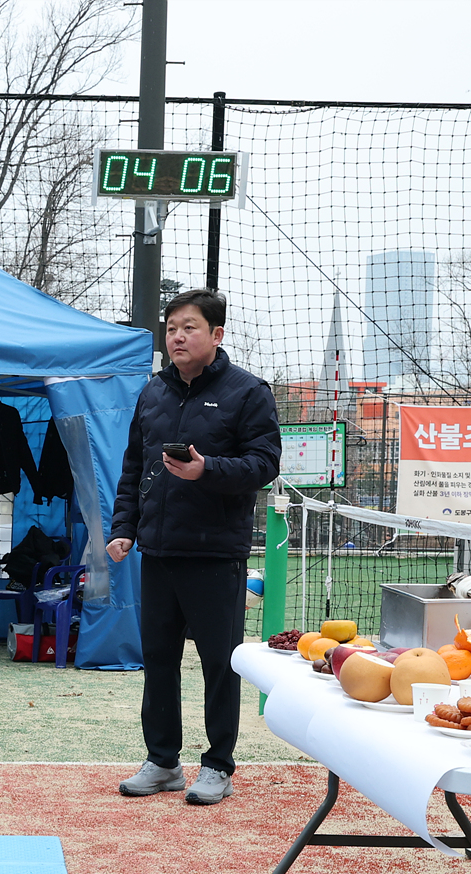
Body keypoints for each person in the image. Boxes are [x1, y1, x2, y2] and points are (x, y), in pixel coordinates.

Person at [107, 289, 282, 807]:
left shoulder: (248, 392)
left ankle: (218, 765)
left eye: (189, 328)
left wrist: (207, 469)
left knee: (218, 664)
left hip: (215, 554)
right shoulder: (153, 393)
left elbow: (264, 465)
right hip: (158, 552)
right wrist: (124, 527)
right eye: (171, 329)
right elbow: (134, 468)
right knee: (158, 659)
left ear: (216, 334)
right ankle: (163, 762)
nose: (178, 337)